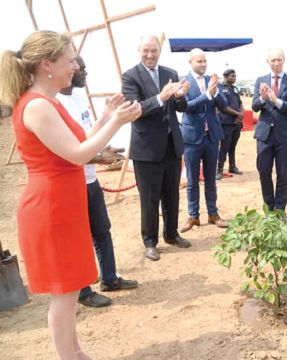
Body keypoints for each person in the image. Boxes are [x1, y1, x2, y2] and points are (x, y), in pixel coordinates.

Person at [0, 30, 140, 359]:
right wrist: (116, 122)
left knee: (71, 287)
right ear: (47, 64)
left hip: (62, 204)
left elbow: (75, 147)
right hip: (51, 209)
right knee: (64, 296)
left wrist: (105, 118)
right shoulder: (36, 106)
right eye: (69, 60)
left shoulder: (47, 102)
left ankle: (76, 353)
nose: (74, 67)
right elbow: (77, 155)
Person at [56, 55, 138, 308]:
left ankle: (110, 278)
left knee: (102, 231)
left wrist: (104, 147)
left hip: (91, 181)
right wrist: (98, 157)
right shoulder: (54, 104)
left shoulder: (80, 98)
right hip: (72, 181)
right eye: (82, 68)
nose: (85, 73)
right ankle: (82, 290)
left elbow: (87, 137)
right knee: (79, 238)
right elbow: (67, 150)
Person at [122, 35, 191, 261]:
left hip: (172, 145)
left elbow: (180, 106)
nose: (150, 55)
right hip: (147, 149)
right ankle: (150, 242)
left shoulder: (170, 73)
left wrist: (180, 96)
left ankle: (171, 234)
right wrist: (161, 97)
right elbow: (135, 109)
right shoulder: (130, 77)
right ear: (139, 50)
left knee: (172, 195)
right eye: (146, 50)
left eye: (154, 51)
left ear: (160, 51)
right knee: (149, 199)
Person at [179, 48, 228, 232]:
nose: (203, 64)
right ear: (190, 62)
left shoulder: (212, 80)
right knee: (192, 180)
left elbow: (223, 105)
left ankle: (213, 213)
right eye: (199, 61)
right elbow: (186, 107)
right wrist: (207, 95)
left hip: (211, 138)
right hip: (192, 139)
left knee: (210, 179)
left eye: (205, 61)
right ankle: (193, 216)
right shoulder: (184, 82)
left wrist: (215, 92)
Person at [252, 48, 287, 212]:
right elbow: (254, 106)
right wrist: (262, 98)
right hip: (264, 134)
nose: (276, 63)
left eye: (279, 59)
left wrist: (276, 100)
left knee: (282, 174)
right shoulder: (260, 80)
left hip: (283, 135)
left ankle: (279, 210)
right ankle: (268, 208)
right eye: (273, 60)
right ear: (268, 62)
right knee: (264, 172)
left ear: (284, 60)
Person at [217, 69, 244, 180]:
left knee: (233, 146)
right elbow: (223, 107)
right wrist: (238, 114)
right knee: (224, 147)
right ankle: (219, 170)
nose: (234, 78)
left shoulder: (234, 89)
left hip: (236, 123)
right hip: (226, 123)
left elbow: (240, 103)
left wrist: (240, 115)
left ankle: (232, 166)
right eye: (232, 76)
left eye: (235, 76)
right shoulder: (220, 89)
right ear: (225, 76)